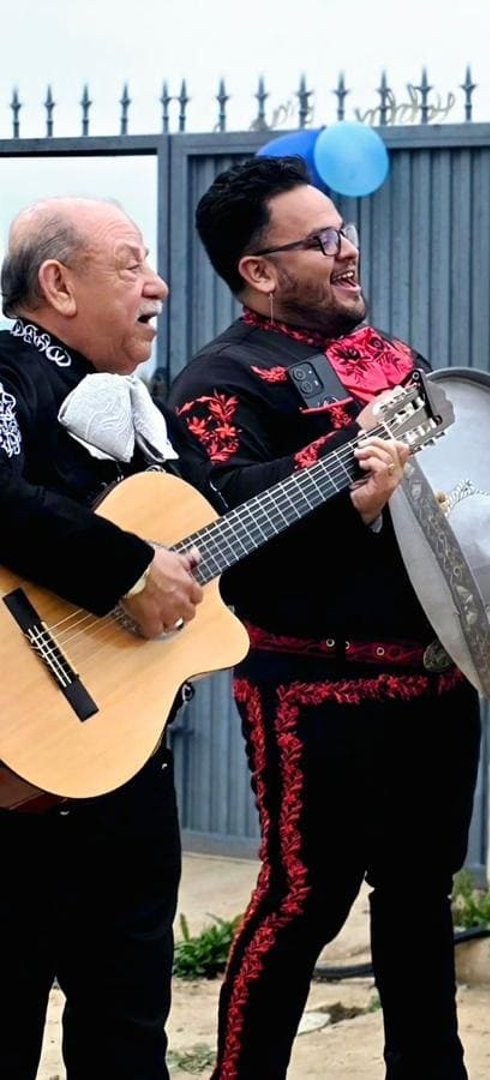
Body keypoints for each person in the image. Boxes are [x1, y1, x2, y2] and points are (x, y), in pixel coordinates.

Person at [167, 155, 490, 1080]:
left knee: (421, 900)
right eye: (322, 240)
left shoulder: (396, 359)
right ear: (259, 270)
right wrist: (346, 486)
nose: (349, 253)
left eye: (344, 233)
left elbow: (468, 484)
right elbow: (220, 514)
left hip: (433, 676)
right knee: (303, 901)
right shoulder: (219, 384)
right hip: (313, 693)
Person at [0, 198, 212, 1078]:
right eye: (129, 265)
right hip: (13, 777)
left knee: (127, 1038)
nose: (156, 284)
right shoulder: (6, 377)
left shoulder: (137, 414)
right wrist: (126, 569)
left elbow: (217, 515)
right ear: (57, 282)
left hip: (126, 773)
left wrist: (341, 479)